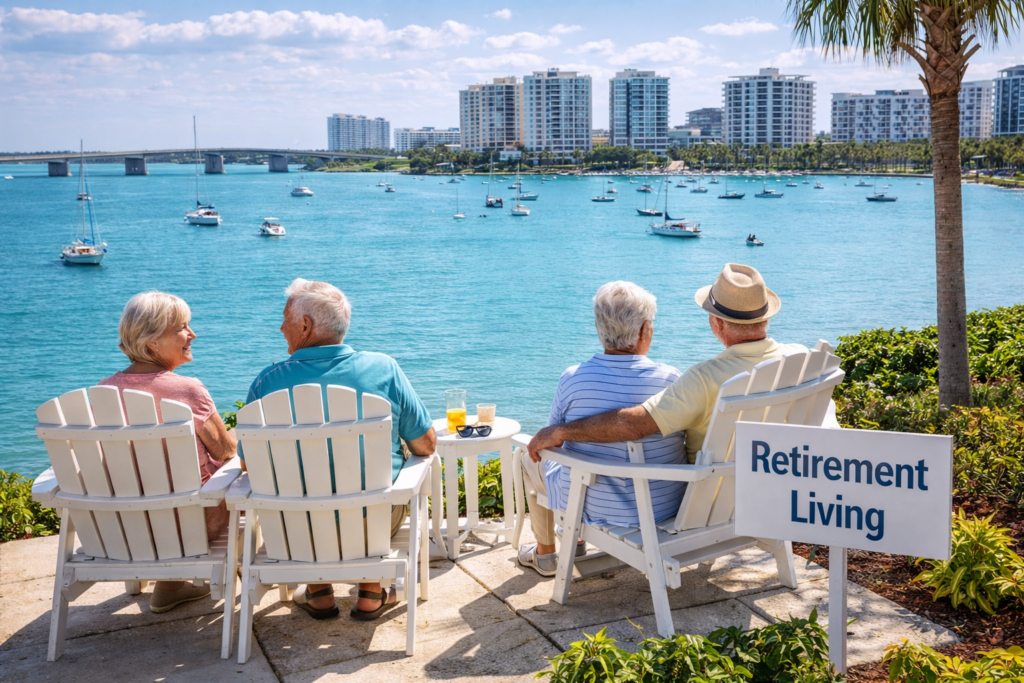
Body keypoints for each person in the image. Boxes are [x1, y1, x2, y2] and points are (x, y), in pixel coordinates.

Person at [243, 278, 436, 621]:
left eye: (285, 318)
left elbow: (247, 463)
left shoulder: (266, 383)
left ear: (305, 325)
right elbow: (426, 444)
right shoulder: (384, 370)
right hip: (371, 522)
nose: (280, 326)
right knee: (382, 489)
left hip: (295, 528)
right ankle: (371, 593)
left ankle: (317, 592)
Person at [528, 262, 806, 469]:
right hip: (778, 487)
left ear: (716, 323)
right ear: (766, 316)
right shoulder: (801, 358)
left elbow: (634, 426)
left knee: (532, 464)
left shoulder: (703, 379)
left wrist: (560, 431)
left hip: (713, 503)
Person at [518, 282, 685, 577]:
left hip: (594, 504)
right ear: (645, 330)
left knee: (527, 457)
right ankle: (575, 543)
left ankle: (546, 555)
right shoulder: (672, 381)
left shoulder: (573, 379)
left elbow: (551, 443)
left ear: (599, 328)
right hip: (665, 503)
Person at [98, 291, 237, 613]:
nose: (192, 334)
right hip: (192, 527)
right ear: (152, 343)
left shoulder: (103, 392)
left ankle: (170, 586)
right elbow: (227, 454)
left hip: (125, 528)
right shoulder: (187, 390)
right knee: (244, 463)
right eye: (181, 328)